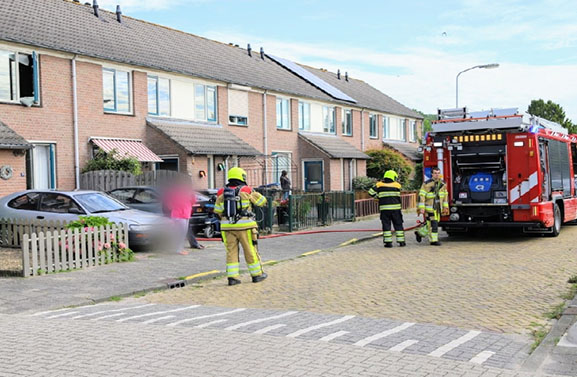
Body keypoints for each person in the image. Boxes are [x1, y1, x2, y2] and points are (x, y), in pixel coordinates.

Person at [214, 167, 268, 286]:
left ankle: (233, 278)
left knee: (231, 252)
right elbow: (262, 201)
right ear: (242, 177)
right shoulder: (247, 190)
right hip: (246, 227)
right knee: (250, 250)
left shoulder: (221, 192)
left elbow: (217, 210)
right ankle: (257, 275)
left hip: (227, 228)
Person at [164, 181, 204, 255]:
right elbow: (193, 200)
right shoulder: (188, 192)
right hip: (184, 214)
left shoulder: (174, 193)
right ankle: (179, 249)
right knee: (182, 233)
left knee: (178, 232)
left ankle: (178, 248)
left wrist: (173, 208)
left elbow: (168, 203)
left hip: (177, 214)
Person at [368, 170, 405, 248]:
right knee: (398, 224)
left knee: (386, 225)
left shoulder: (379, 185)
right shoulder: (397, 185)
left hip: (384, 209)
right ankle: (401, 241)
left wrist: (378, 197)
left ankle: (388, 243)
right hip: (396, 209)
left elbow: (370, 192)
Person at [416, 167, 449, 246]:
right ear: (432, 174)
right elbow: (422, 195)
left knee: (431, 224)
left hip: (438, 208)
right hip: (429, 207)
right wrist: (422, 207)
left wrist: (445, 207)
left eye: (438, 173)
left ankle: (420, 233)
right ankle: (434, 240)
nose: (437, 175)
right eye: (435, 173)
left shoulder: (443, 184)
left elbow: (445, 196)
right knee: (434, 224)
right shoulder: (427, 184)